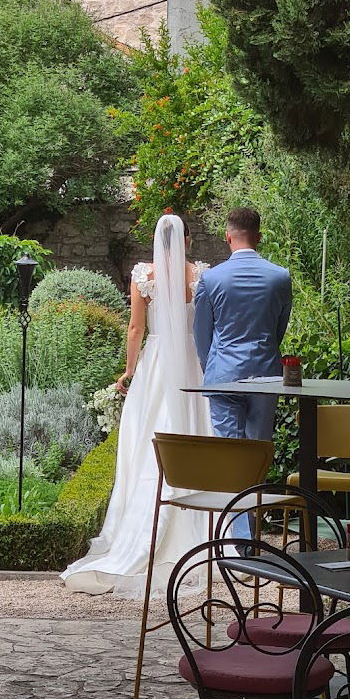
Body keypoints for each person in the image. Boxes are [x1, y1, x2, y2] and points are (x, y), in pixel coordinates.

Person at [61, 213, 213, 597]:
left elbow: (135, 328)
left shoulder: (144, 275)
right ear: (188, 241)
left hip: (157, 363)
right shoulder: (201, 275)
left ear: (155, 242)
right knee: (193, 428)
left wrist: (129, 371)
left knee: (148, 437)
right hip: (192, 362)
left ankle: (144, 519)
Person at [193, 207, 292, 536]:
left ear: (227, 236)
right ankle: (250, 536)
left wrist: (212, 367)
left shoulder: (212, 279)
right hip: (266, 373)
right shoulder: (280, 277)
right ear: (259, 236)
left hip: (223, 374)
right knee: (256, 456)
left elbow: (202, 333)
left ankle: (242, 541)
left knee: (230, 457)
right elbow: (279, 328)